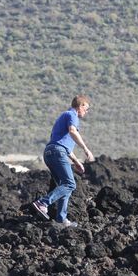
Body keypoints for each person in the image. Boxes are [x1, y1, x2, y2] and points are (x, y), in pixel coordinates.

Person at [30, 95, 95, 227]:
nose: (86, 112)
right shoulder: (72, 115)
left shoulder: (62, 118)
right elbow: (72, 132)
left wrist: (76, 161)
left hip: (50, 152)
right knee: (70, 184)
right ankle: (43, 203)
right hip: (57, 152)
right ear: (81, 106)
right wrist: (86, 149)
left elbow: (63, 145)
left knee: (64, 186)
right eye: (86, 109)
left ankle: (61, 219)